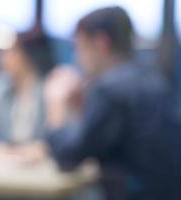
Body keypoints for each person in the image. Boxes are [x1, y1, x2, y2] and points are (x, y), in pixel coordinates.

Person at [44, 7, 181, 200]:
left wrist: (55, 103)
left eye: (80, 47)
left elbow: (68, 159)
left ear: (101, 43)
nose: (76, 57)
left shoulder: (109, 88)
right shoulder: (153, 79)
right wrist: (80, 107)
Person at [0, 32, 55, 163]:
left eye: (9, 52)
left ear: (27, 56)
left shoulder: (50, 90)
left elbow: (55, 144)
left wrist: (39, 150)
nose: (0, 57)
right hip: (5, 171)